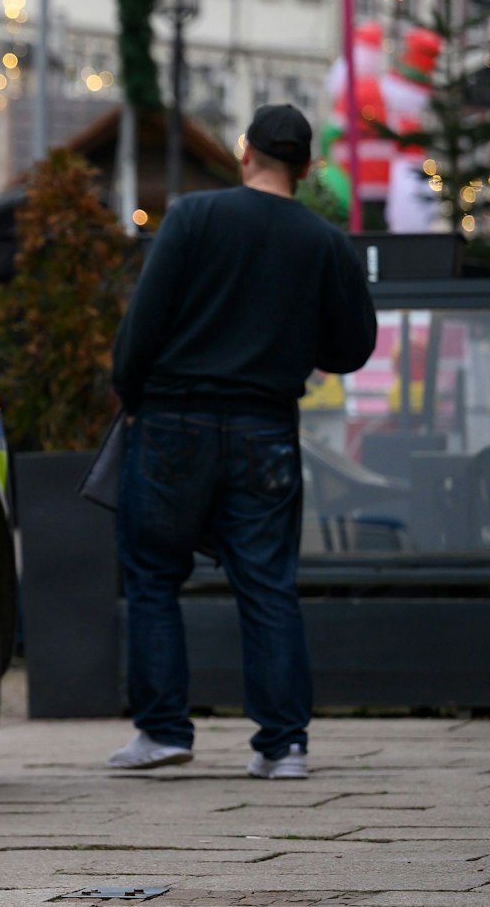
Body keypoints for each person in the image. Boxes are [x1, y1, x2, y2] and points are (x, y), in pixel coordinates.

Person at [107, 105, 377, 781]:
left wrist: (133, 395)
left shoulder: (195, 217)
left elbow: (144, 322)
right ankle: (283, 745)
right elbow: (353, 346)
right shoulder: (323, 242)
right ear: (307, 167)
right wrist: (295, 346)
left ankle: (163, 730)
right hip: (266, 426)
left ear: (245, 151)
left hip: (174, 419)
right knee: (267, 583)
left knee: (153, 574)